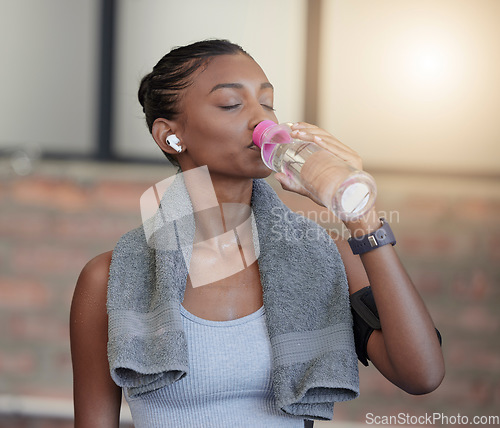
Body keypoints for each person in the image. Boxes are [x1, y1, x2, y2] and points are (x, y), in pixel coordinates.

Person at [70, 39, 445, 428]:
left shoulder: (323, 259)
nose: (260, 120)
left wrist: (360, 213)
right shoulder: (111, 279)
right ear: (171, 136)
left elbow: (422, 375)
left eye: (267, 103)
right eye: (231, 104)